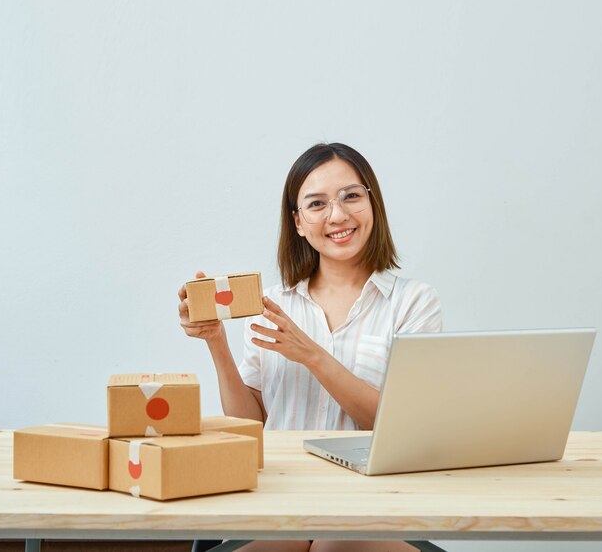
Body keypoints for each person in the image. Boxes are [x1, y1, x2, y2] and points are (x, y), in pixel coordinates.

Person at [179, 142, 442, 552]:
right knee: (294, 543)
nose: (338, 216)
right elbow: (250, 426)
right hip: (277, 504)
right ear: (298, 222)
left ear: (373, 204)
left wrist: (313, 356)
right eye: (317, 204)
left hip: (376, 510)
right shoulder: (272, 304)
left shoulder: (414, 303)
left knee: (337, 544)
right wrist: (217, 344)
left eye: (351, 196)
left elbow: (401, 430)